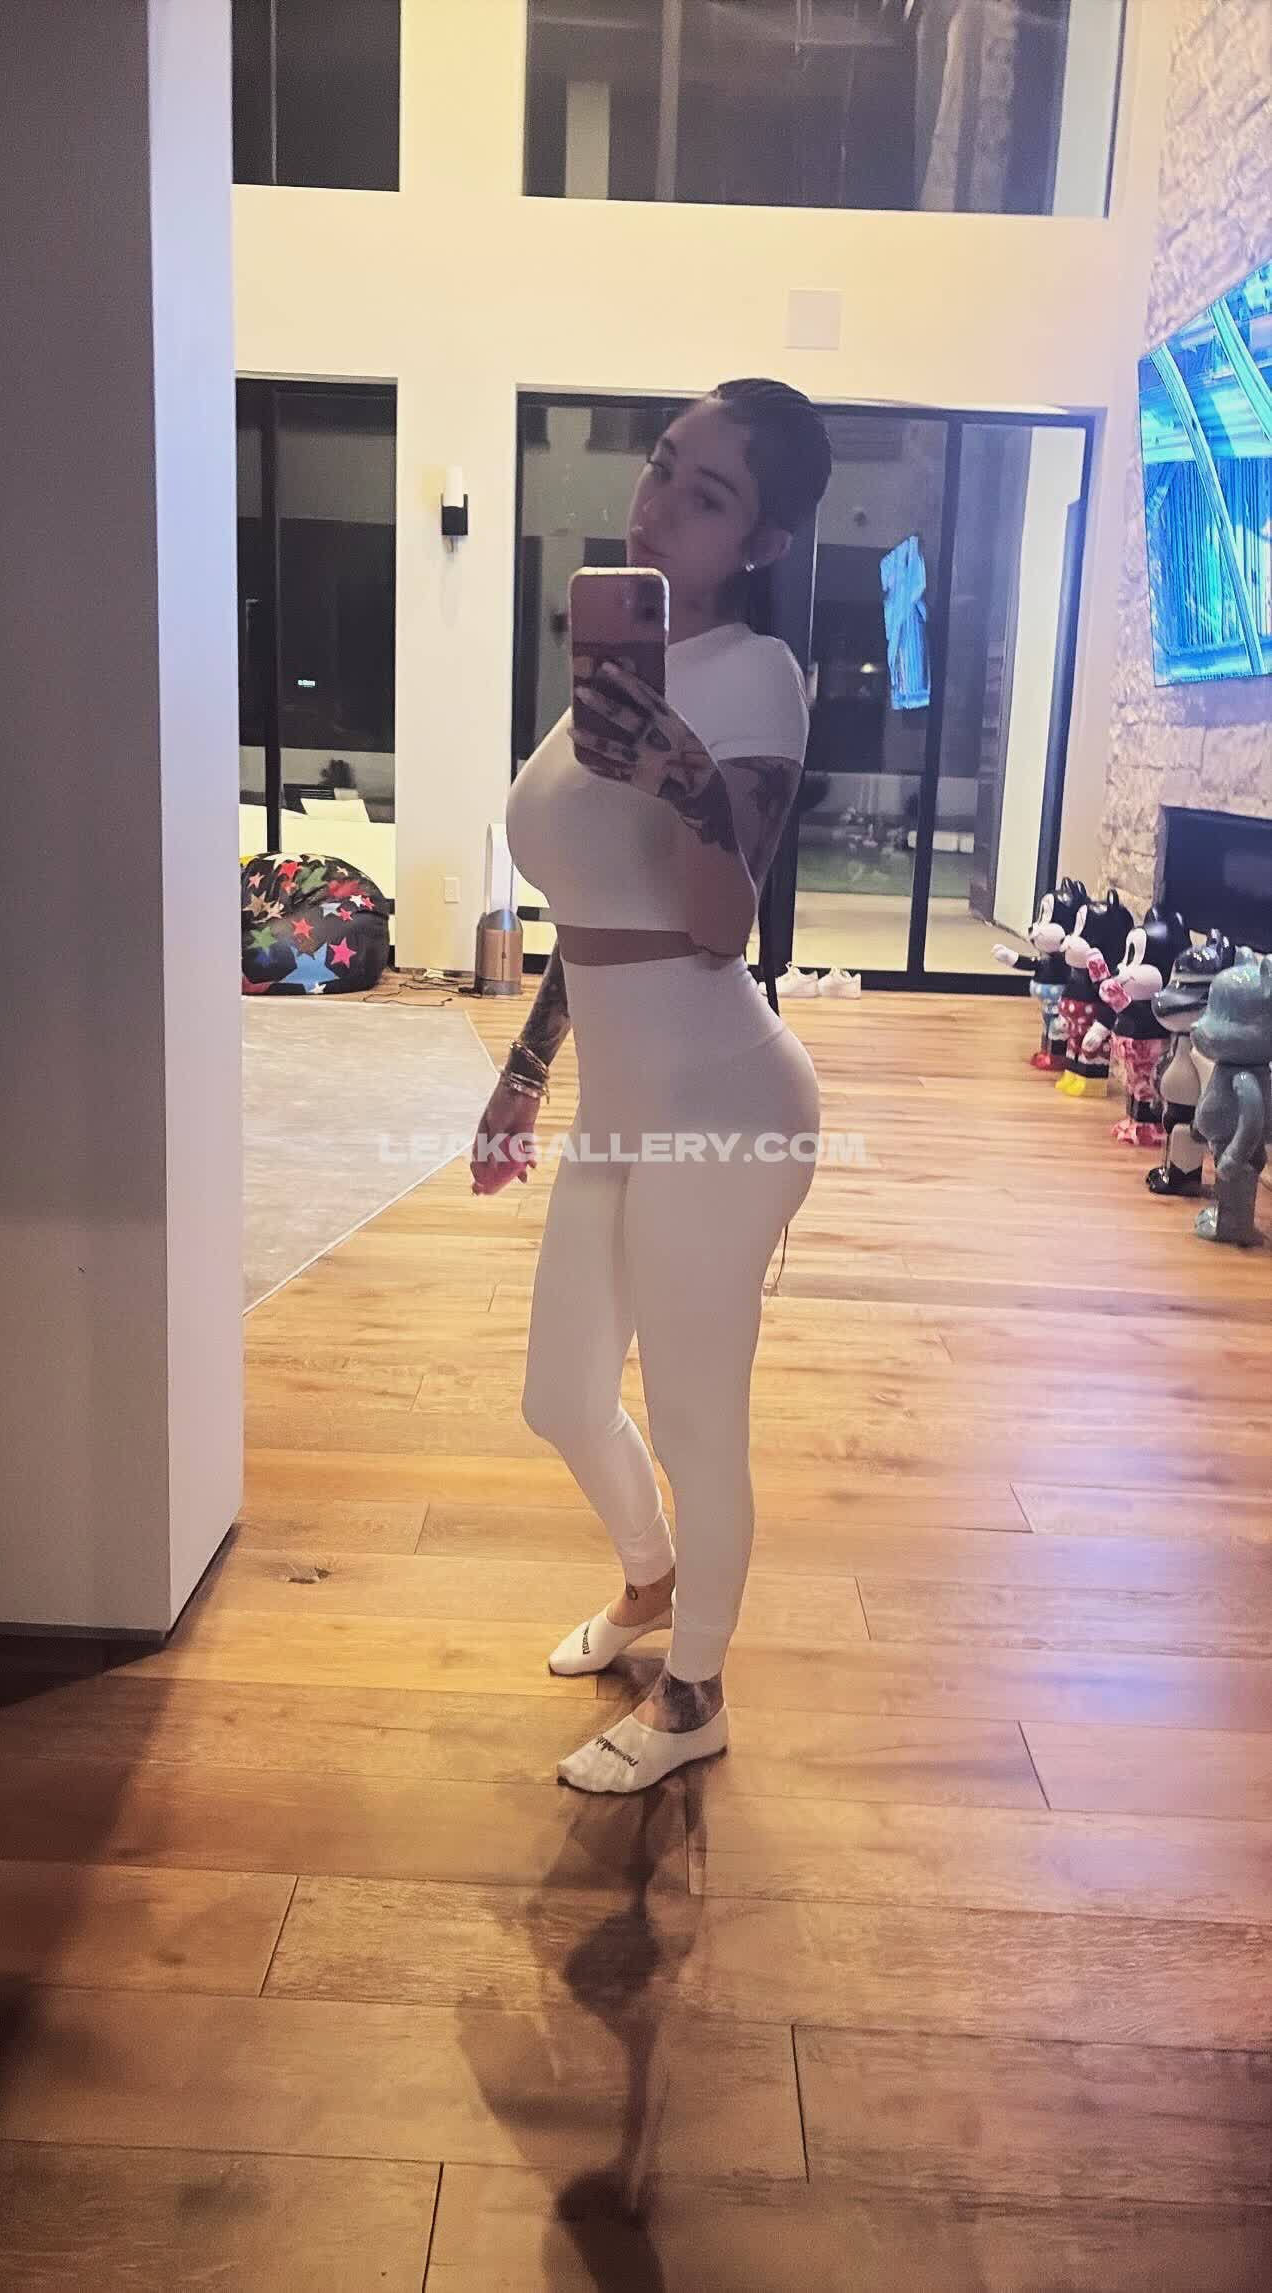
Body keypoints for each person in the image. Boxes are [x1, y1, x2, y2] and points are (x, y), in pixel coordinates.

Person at [471, 379, 833, 1794]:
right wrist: (523, 1069)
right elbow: (591, 915)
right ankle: (649, 1578)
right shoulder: (605, 678)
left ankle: (695, 1696)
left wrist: (681, 774)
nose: (660, 503)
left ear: (765, 540)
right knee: (561, 1394)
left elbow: (717, 922)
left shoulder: (756, 675)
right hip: (619, 1107)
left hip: (725, 1104)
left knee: (691, 1414)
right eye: (663, 466)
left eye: (709, 493)